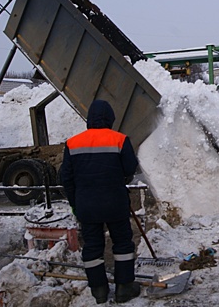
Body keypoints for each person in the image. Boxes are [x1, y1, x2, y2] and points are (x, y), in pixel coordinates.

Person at [61, 100, 140, 304]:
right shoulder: (120, 140)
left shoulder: (72, 143)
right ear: (111, 119)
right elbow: (130, 169)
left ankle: (99, 291)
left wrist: (75, 203)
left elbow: (66, 178)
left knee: (93, 246)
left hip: (87, 206)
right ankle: (124, 289)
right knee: (122, 243)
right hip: (115, 203)